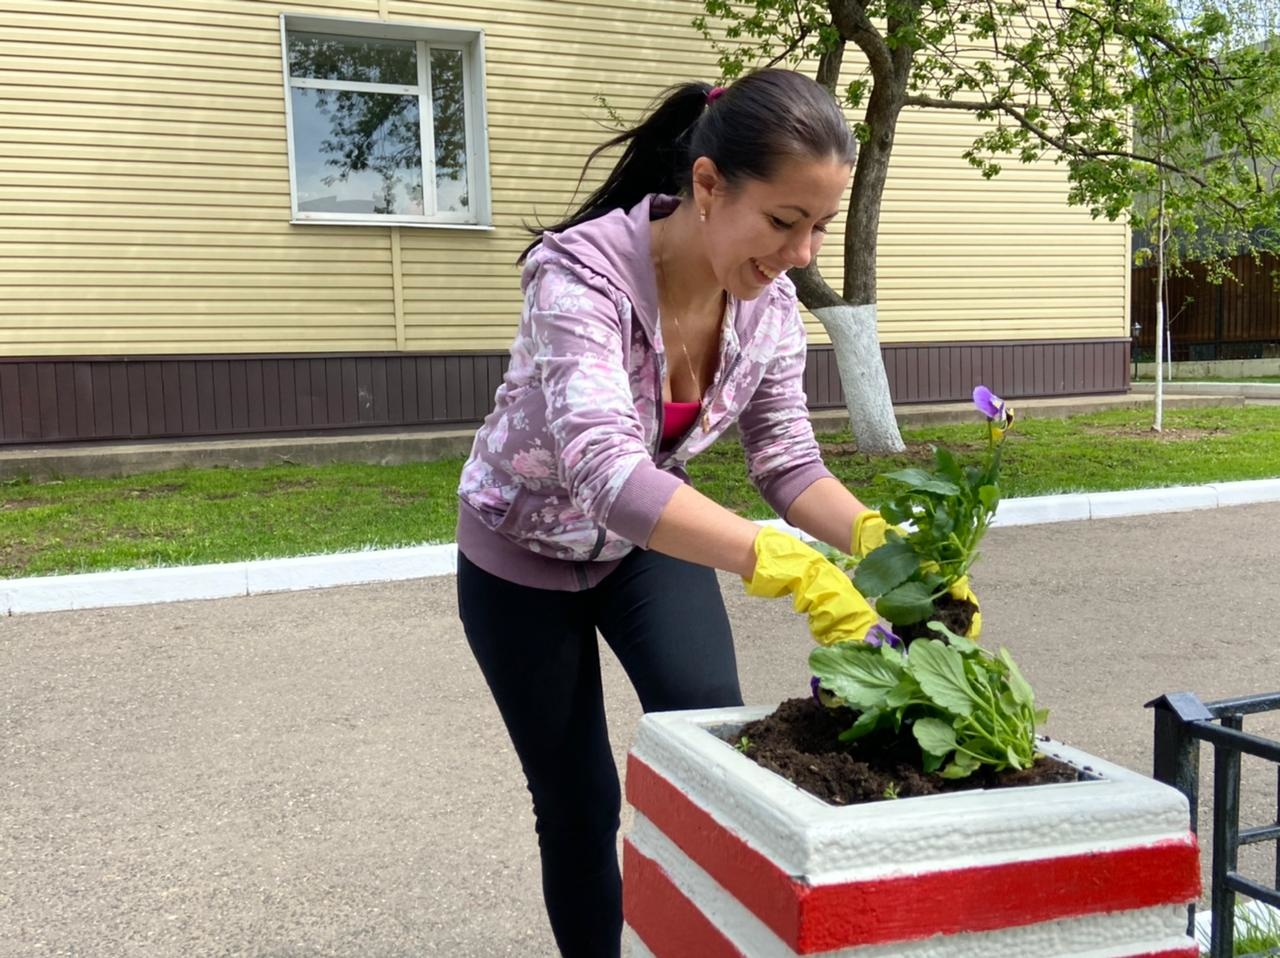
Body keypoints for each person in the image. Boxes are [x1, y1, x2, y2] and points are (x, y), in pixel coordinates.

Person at [455, 69, 897, 957]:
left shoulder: (769, 307)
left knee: (719, 767)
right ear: (706, 186)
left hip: (643, 551)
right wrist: (783, 561)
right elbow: (607, 473)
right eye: (783, 221)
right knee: (577, 802)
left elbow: (786, 459)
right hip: (518, 562)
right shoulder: (577, 276)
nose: (803, 253)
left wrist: (879, 547)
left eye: (819, 226)